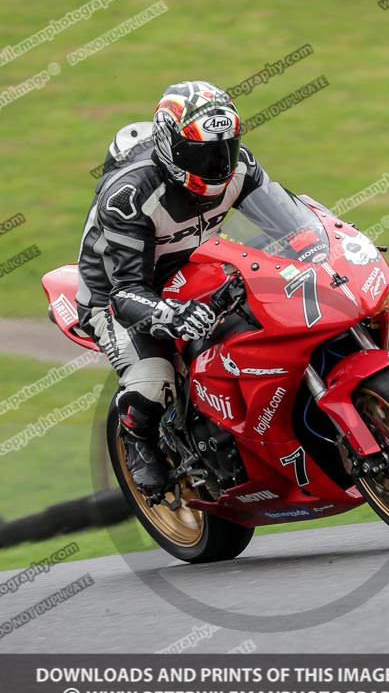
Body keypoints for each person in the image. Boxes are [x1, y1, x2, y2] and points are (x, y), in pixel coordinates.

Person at [76, 81, 272, 494]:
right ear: (171, 145)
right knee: (153, 377)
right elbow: (125, 290)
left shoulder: (241, 168)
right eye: (201, 152)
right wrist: (171, 315)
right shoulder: (130, 197)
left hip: (196, 269)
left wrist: (332, 237)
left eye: (226, 148)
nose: (218, 163)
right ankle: (138, 440)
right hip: (115, 296)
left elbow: (288, 220)